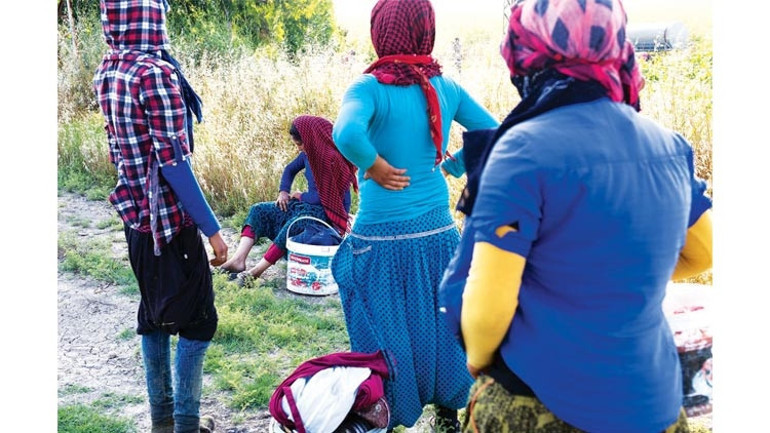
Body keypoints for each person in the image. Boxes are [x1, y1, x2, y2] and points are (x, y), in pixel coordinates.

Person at [438, 0, 713, 432]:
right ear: (617, 48)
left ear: (524, 50)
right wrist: (618, 275)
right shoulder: (669, 146)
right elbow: (703, 254)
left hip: (544, 404)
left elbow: (487, 309)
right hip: (655, 404)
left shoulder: (522, 150)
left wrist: (478, 358)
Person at [330, 1, 499, 431]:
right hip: (438, 232)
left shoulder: (368, 88)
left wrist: (374, 165)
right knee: (443, 324)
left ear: (379, 33)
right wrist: (454, 165)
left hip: (380, 240)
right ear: (427, 31)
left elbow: (345, 132)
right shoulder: (445, 88)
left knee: (387, 331)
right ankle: (448, 410)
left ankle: (388, 412)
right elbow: (495, 133)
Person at [93, 1, 228, 432]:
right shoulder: (155, 73)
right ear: (152, 21)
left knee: (153, 314)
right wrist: (212, 230)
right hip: (170, 223)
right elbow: (173, 164)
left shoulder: (110, 68)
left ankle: (162, 421)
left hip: (136, 218)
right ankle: (186, 424)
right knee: (199, 322)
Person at [218, 115, 358, 281]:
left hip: (327, 214)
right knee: (259, 210)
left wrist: (300, 196)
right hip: (308, 207)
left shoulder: (332, 159)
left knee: (294, 223)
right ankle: (238, 260)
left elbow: (323, 199)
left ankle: (256, 271)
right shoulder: (308, 154)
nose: (299, 148)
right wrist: (283, 191)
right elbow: (289, 169)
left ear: (312, 137)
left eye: (300, 143)